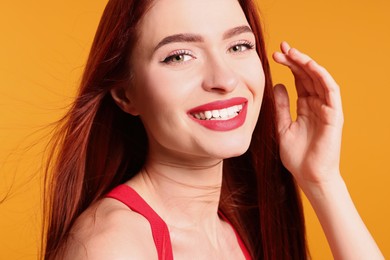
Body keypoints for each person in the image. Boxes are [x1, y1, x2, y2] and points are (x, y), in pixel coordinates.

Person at [42, 0, 384, 259]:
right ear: (124, 93)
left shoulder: (239, 229)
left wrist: (321, 180)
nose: (225, 79)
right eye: (179, 56)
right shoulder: (113, 245)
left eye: (238, 46)